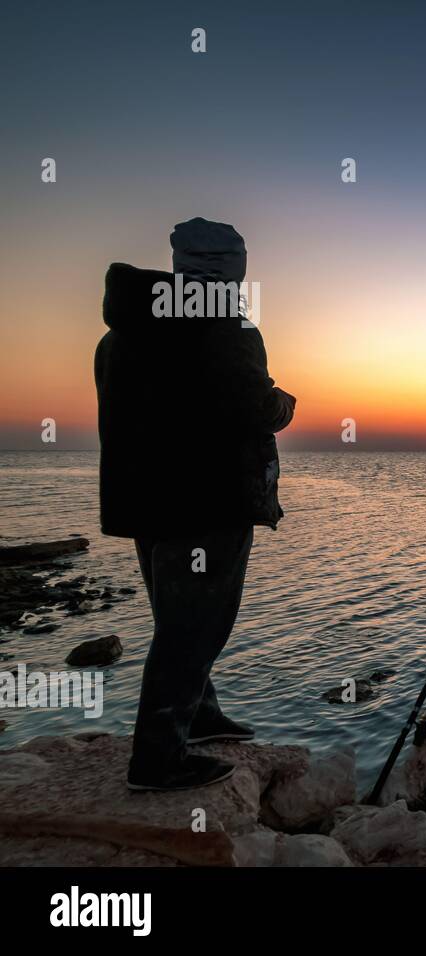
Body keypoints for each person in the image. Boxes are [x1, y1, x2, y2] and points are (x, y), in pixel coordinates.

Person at [94, 218, 296, 791]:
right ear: (229, 274)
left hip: (147, 502)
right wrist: (282, 403)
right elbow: (252, 409)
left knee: (177, 619)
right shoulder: (227, 330)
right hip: (207, 503)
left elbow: (132, 417)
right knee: (196, 628)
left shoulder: (120, 334)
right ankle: (157, 760)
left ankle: (200, 716)